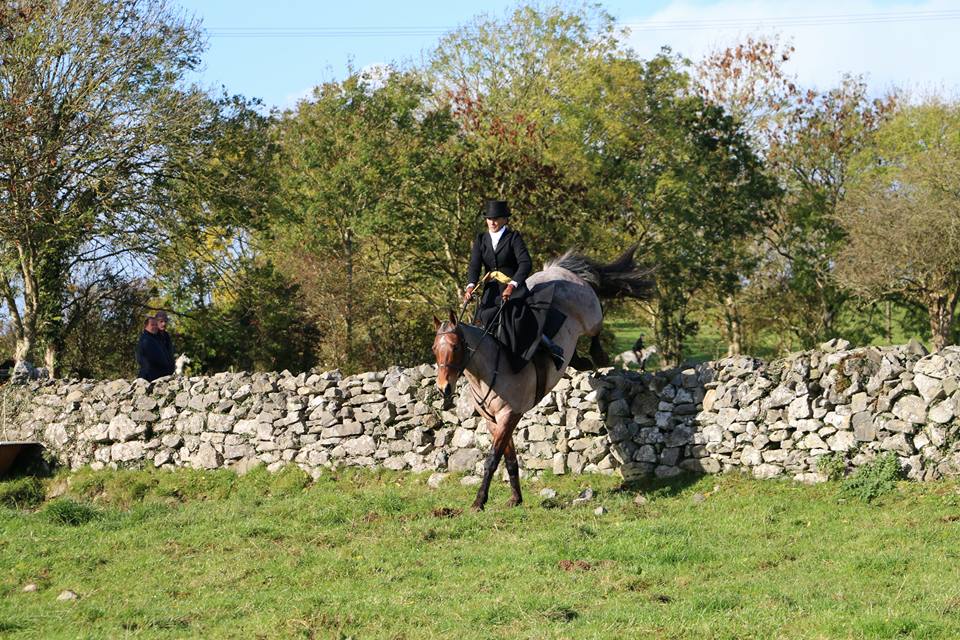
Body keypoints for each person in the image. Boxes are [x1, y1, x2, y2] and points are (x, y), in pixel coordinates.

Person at [463, 199, 564, 370]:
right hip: (491, 290)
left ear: (504, 220)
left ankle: (549, 346)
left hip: (513, 288)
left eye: (496, 218)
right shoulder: (481, 239)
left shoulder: (513, 238)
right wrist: (471, 286)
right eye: (489, 218)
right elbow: (474, 265)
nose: (492, 222)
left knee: (517, 320)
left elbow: (525, 263)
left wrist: (512, 285)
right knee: (481, 320)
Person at [135, 314, 169, 381]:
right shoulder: (146, 339)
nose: (155, 327)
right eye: (152, 325)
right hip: (149, 378)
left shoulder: (155, 339)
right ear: (146, 326)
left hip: (157, 377)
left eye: (156, 325)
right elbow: (150, 360)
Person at [154, 310, 176, 377]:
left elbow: (170, 354)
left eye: (165, 321)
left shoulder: (167, 336)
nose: (164, 324)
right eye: (161, 321)